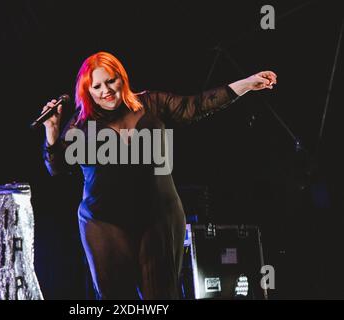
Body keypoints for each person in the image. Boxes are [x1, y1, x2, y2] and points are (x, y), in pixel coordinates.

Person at [42, 52, 276, 299]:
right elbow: (56, 167)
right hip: (104, 223)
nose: (105, 91)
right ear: (87, 91)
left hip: (157, 217)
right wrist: (52, 130)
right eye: (97, 86)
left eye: (111, 81)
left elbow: (195, 106)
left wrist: (247, 84)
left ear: (122, 78)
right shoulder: (80, 123)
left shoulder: (151, 104)